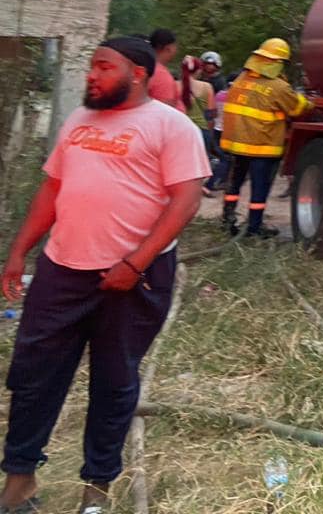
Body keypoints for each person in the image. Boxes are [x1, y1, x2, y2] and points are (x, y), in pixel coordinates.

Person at [0, 37, 208, 514]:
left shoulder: (171, 126)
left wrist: (135, 264)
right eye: (91, 66)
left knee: (114, 383)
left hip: (134, 279)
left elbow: (185, 202)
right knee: (32, 376)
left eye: (103, 67)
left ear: (137, 73)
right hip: (61, 273)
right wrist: (18, 252)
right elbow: (52, 189)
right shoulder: (78, 122)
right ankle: (19, 481)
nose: (91, 75)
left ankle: (96, 490)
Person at [220, 39, 323, 238]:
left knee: (234, 184)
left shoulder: (242, 80)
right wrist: (312, 103)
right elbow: (296, 108)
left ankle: (227, 220)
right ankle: (254, 227)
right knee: (260, 189)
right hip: (262, 147)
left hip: (235, 145)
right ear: (277, 63)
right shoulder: (278, 87)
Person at [181, 55, 215, 160]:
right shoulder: (206, 87)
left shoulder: (175, 86)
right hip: (201, 130)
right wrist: (210, 132)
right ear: (198, 70)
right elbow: (210, 114)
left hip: (181, 131)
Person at [147, 29, 181, 109]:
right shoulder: (162, 76)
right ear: (168, 48)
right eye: (175, 46)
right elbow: (165, 112)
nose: (176, 50)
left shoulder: (142, 66)